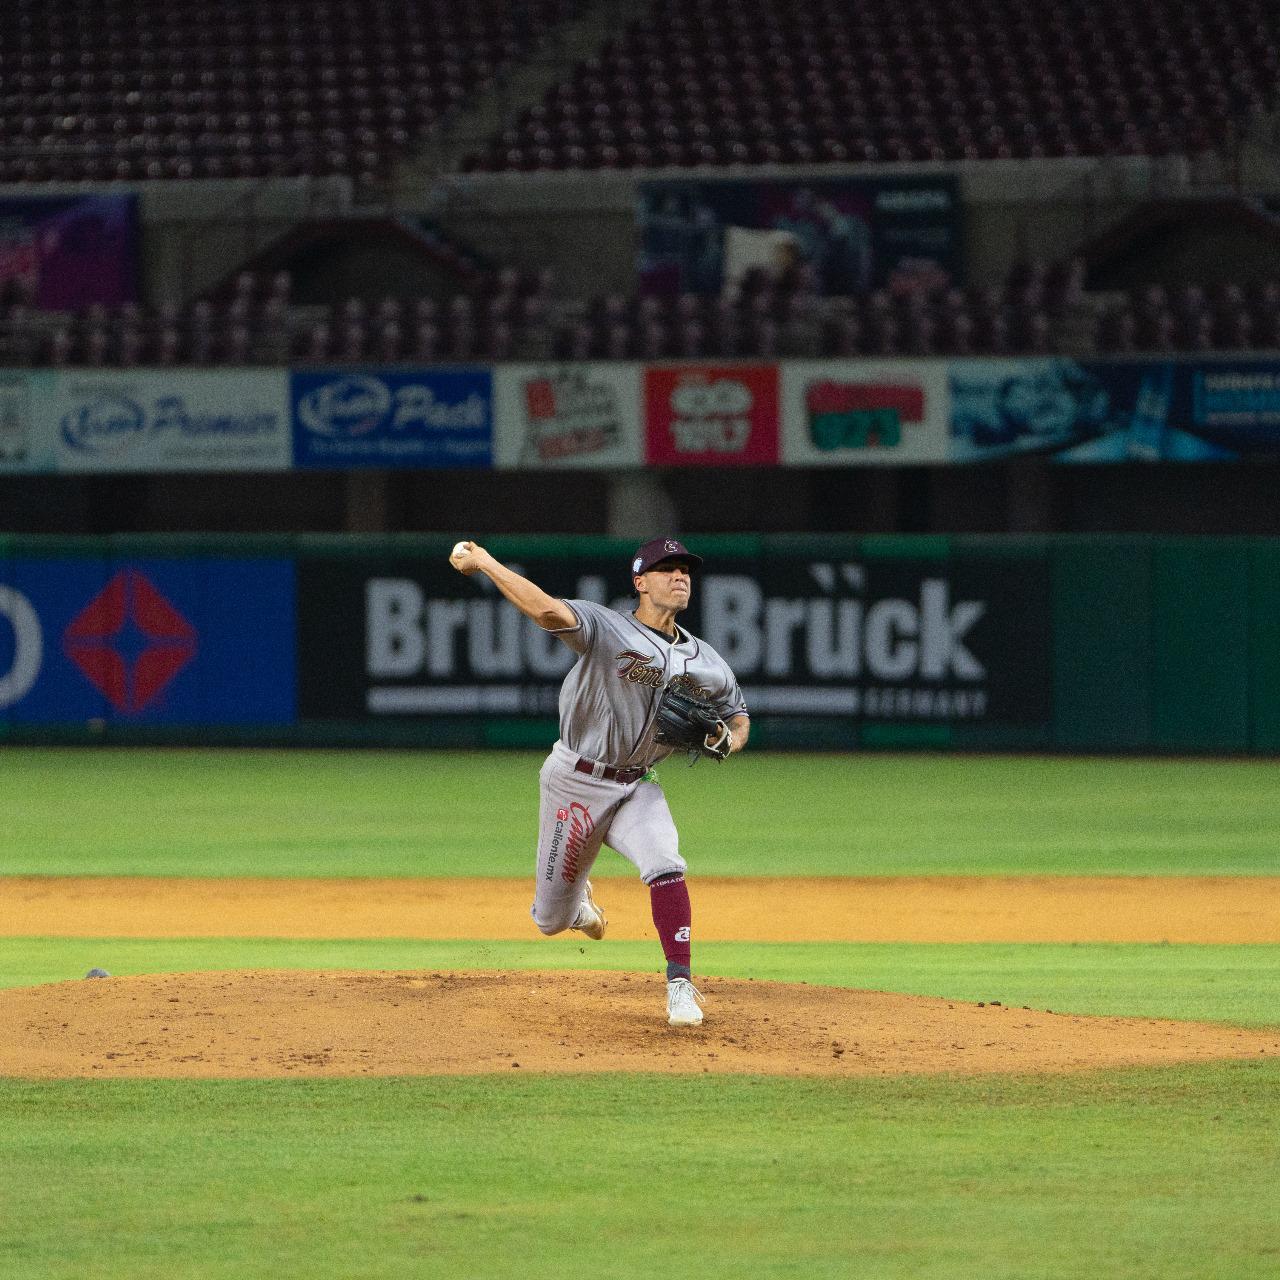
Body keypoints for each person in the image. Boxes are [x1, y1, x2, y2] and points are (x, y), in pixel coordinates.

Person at [448, 536, 749, 1026]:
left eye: (685, 571)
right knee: (549, 920)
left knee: (665, 861)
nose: (680, 577)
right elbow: (546, 613)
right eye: (666, 569)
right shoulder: (607, 627)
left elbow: (738, 719)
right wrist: (485, 562)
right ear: (639, 582)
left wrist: (728, 741)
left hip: (638, 784)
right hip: (576, 781)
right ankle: (577, 904)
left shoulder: (708, 662)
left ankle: (680, 986)